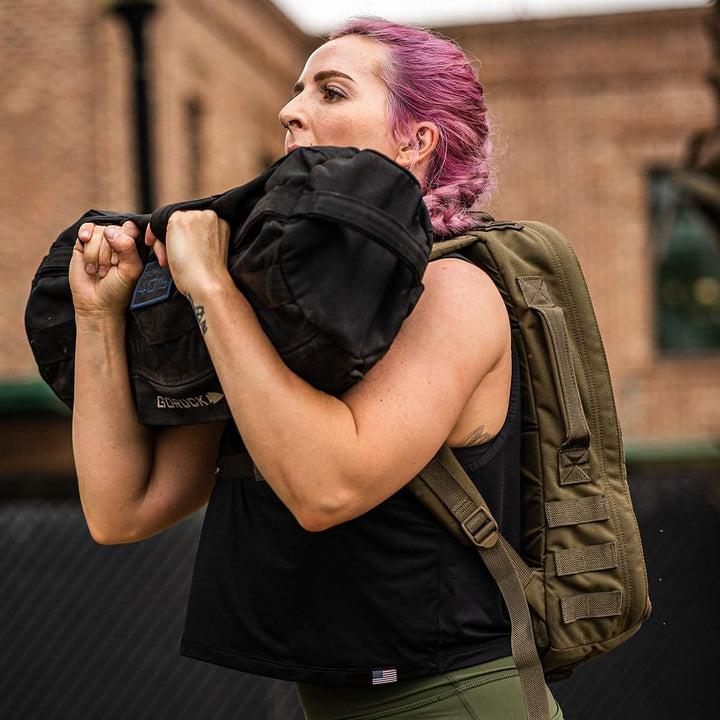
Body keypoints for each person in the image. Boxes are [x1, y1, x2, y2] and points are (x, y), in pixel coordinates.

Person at [69, 17, 563, 720]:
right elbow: (125, 508)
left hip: (453, 699)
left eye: (331, 92)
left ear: (415, 140)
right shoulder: (262, 299)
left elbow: (325, 489)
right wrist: (98, 317)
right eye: (297, 90)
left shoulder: (453, 290)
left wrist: (210, 286)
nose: (289, 110)